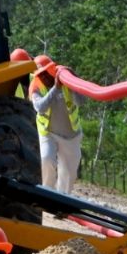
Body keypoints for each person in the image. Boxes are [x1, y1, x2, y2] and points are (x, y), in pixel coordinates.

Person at [29, 55, 85, 194]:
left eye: (46, 73)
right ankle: (47, 195)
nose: (44, 78)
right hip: (48, 133)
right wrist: (55, 88)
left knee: (69, 174)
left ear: (52, 69)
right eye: (40, 75)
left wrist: (75, 81)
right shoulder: (35, 86)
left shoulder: (67, 81)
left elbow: (81, 101)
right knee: (46, 159)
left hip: (71, 135)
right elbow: (40, 107)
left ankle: (62, 201)